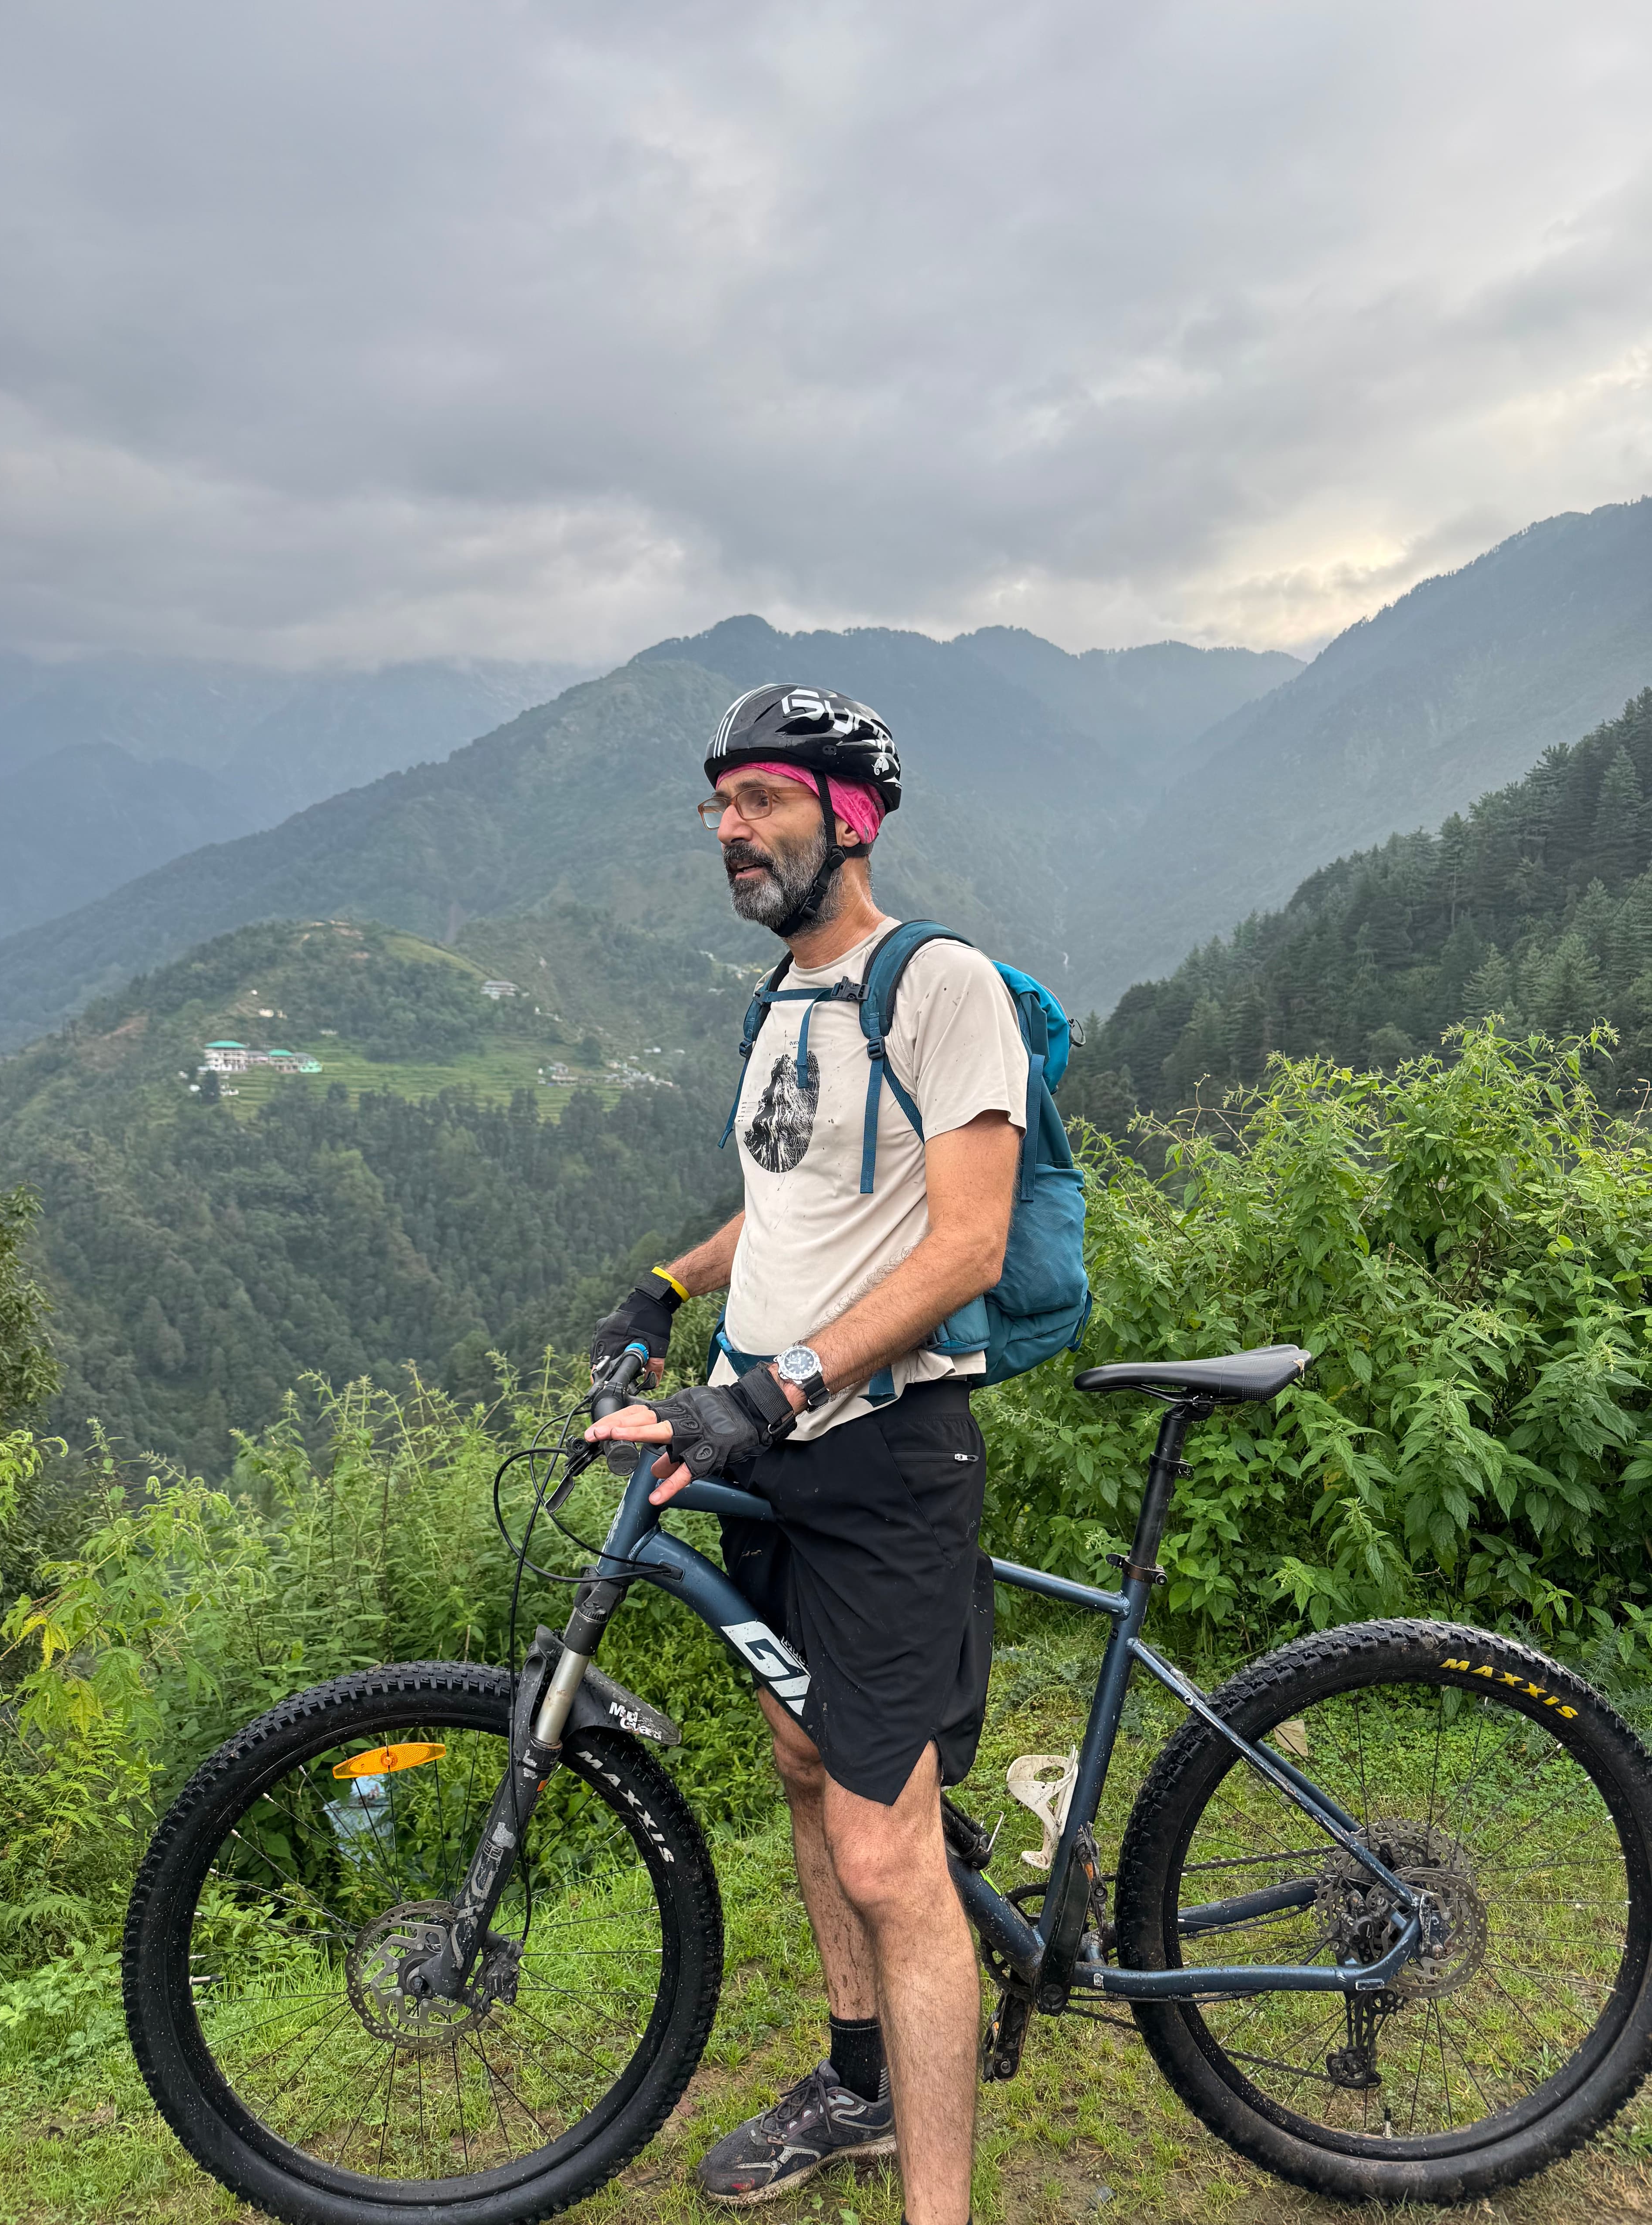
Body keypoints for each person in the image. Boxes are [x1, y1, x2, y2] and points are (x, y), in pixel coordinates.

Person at [585, 683, 1027, 2225]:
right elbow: (795, 1213)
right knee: (798, 1751)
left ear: (852, 814)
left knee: (886, 1852)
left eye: (760, 799)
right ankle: (856, 2085)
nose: (729, 829)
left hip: (888, 1455)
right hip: (772, 1438)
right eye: (718, 805)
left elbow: (963, 1247)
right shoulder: (783, 1000)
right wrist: (675, 1284)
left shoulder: (939, 984)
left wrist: (764, 1394)